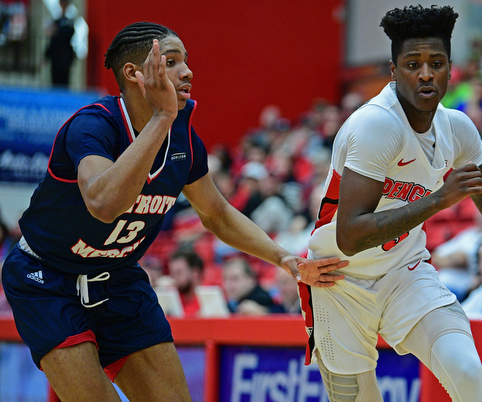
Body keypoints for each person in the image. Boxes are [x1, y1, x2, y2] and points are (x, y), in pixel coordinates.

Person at [1, 22, 347, 402]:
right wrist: (161, 119)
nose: (188, 71)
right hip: (47, 277)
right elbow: (103, 204)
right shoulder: (93, 126)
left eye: (186, 61)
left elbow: (216, 213)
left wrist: (284, 258)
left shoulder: (183, 139)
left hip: (116, 276)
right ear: (135, 74)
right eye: (172, 61)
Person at [302, 6, 482, 402]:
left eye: (436, 63)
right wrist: (438, 201)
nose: (426, 73)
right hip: (339, 278)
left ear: (451, 68)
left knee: (467, 372)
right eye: (413, 64)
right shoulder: (375, 125)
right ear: (394, 70)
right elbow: (350, 234)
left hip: (405, 272)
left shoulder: (458, 128)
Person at [44, 0, 75, 87]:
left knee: (64, 81)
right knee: (54, 81)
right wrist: (46, 55)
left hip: (65, 57)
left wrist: (57, 31)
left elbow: (69, 34)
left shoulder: (70, 22)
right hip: (55, 57)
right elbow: (52, 40)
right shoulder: (56, 22)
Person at [167, 248, 204, 317]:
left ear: (195, 273)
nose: (174, 279)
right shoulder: (171, 296)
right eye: (172, 273)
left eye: (179, 273)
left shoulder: (209, 298)